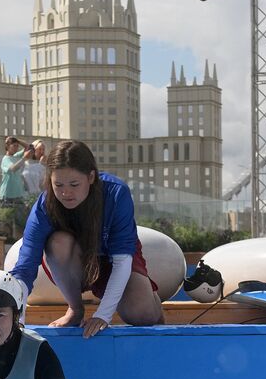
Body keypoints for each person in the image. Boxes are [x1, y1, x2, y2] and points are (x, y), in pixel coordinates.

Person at [9, 140, 164, 337]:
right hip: (76, 265)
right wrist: (16, 320)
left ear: (91, 177)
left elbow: (123, 259)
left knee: (143, 314)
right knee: (58, 242)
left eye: (74, 184)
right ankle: (75, 309)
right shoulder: (44, 206)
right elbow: (24, 267)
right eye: (58, 185)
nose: (66, 193)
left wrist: (103, 315)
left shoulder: (116, 193)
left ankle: (152, 298)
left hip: (114, 260)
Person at [0, 136, 26, 201]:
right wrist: (24, 158)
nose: (16, 148)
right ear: (8, 146)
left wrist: (17, 140)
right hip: (8, 195)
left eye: (17, 146)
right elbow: (13, 168)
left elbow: (29, 147)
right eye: (14, 146)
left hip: (18, 194)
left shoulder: (16, 156)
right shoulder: (5, 159)